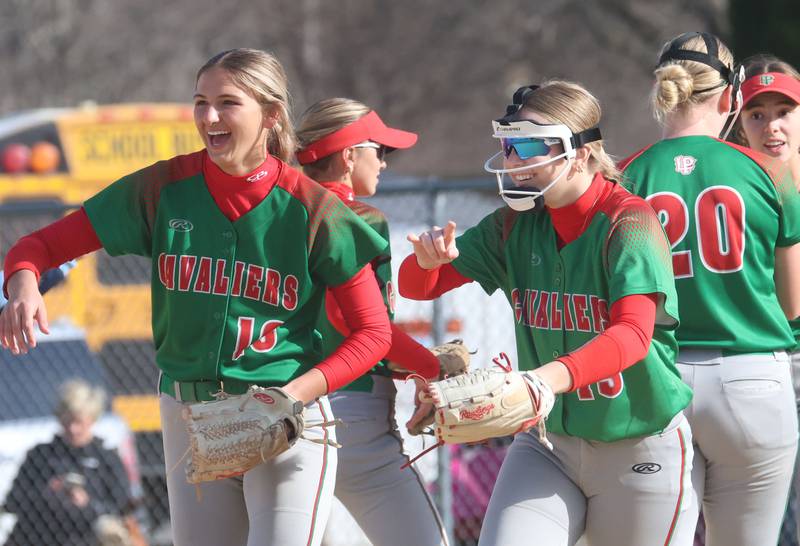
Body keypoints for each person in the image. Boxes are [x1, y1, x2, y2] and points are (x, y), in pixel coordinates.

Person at [0, 48, 392, 546]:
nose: (208, 116)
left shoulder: (314, 209)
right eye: (200, 101)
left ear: (271, 115)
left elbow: (374, 333)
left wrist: (296, 394)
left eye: (228, 102)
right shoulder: (164, 188)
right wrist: (24, 285)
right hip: (190, 418)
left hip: (283, 417)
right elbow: (37, 247)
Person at [399, 80, 697, 546]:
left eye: (528, 145)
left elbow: (634, 336)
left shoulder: (629, 222)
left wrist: (542, 380)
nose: (513, 161)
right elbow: (416, 287)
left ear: (579, 152)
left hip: (639, 445)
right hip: (547, 443)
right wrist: (426, 260)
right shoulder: (514, 222)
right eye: (507, 146)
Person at [620, 32, 800, 546]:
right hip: (751, 377)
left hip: (656, 379)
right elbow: (793, 304)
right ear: (731, 98)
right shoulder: (770, 171)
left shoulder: (626, 175)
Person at [295, 98, 449, 546]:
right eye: (378, 150)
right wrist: (434, 369)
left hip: (281, 405)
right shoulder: (359, 218)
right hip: (352, 417)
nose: (383, 162)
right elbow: (359, 325)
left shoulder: (275, 215)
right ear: (348, 156)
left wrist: (412, 366)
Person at [735, 54, 800, 543]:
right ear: (738, 121)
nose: (772, 126)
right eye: (758, 114)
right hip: (759, 364)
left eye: (784, 111)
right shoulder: (733, 186)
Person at [4, 379, 136, 546]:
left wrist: (88, 504)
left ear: (92, 419)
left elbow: (122, 506)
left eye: (79, 422)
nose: (73, 429)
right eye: (67, 421)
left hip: (86, 538)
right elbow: (12, 503)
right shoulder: (41, 455)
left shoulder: (106, 458)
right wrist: (47, 494)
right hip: (39, 537)